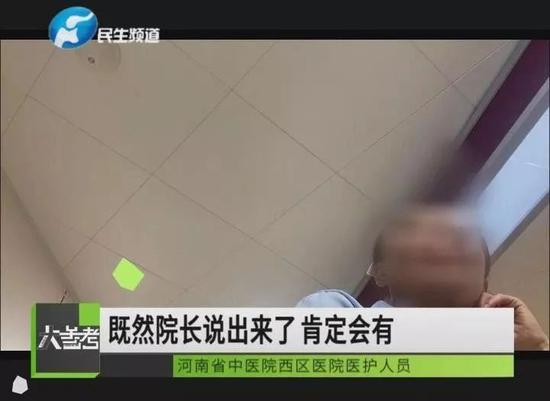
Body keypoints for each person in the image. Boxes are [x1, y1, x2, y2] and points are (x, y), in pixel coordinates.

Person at [296, 203, 549, 351]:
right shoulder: (332, 309)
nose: (447, 243)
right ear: (382, 273)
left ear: (483, 290)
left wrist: (535, 349)